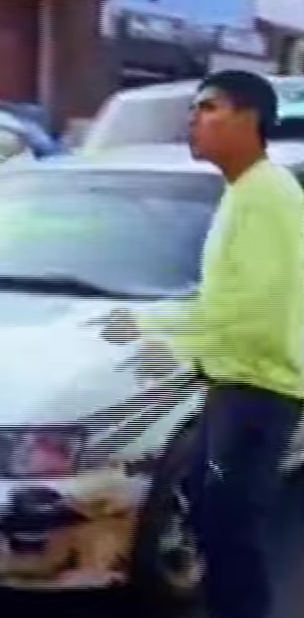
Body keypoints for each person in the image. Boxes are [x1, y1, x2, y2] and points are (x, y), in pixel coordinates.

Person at [143, 70, 304, 618]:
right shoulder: (245, 191)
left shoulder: (267, 196)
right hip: (234, 381)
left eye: (209, 107)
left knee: (230, 528)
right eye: (193, 109)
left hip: (259, 387)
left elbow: (259, 306)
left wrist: (164, 341)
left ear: (249, 118)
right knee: (211, 515)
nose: (193, 119)